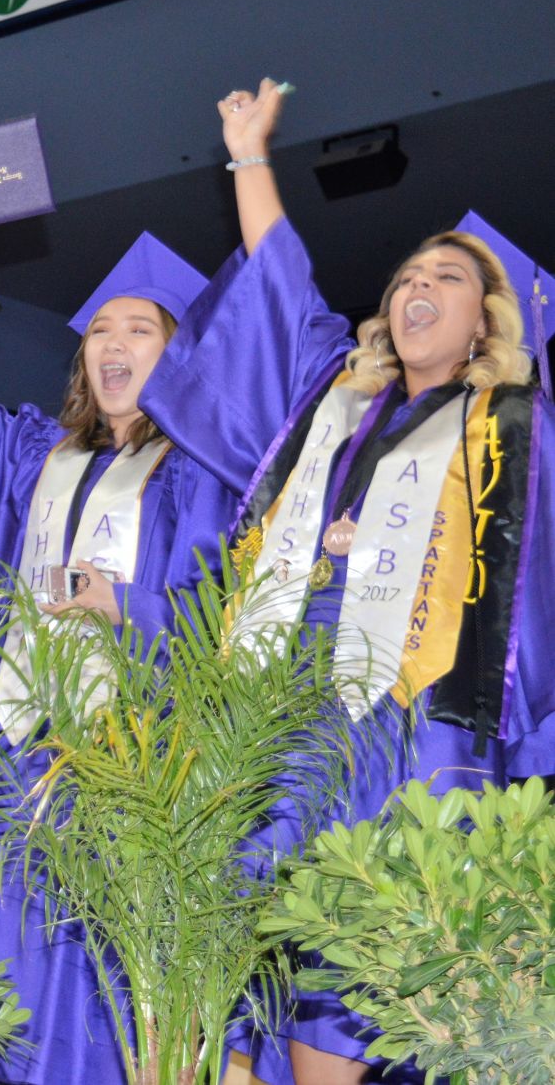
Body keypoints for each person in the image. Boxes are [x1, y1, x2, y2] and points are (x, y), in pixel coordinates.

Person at [158, 79, 555, 1085]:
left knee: (375, 945)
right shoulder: (334, 404)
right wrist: (248, 154)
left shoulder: (510, 429)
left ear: (483, 323)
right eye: (405, 275)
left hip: (417, 714)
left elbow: (528, 593)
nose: (414, 287)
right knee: (278, 928)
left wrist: (383, 548)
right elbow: (280, 284)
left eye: (447, 280)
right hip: (297, 703)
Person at [0, 202, 239, 1085]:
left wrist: (123, 604)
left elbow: (220, 617)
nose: (114, 341)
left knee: (95, 973)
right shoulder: (39, 454)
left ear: (177, 355)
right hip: (10, 748)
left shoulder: (194, 475)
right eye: (100, 327)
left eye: (140, 328)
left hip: (123, 760)